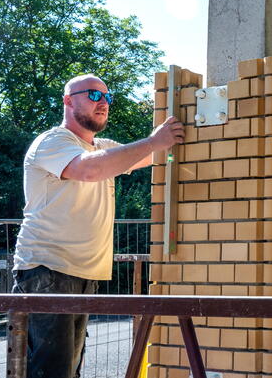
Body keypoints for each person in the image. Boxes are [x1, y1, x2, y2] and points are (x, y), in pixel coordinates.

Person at [12, 74, 183, 378]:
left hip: (81, 273)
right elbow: (89, 170)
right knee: (52, 371)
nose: (103, 102)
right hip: (48, 269)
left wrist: (177, 133)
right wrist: (155, 141)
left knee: (69, 369)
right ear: (68, 101)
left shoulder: (101, 147)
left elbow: (142, 155)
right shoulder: (53, 141)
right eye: (93, 95)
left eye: (107, 97)